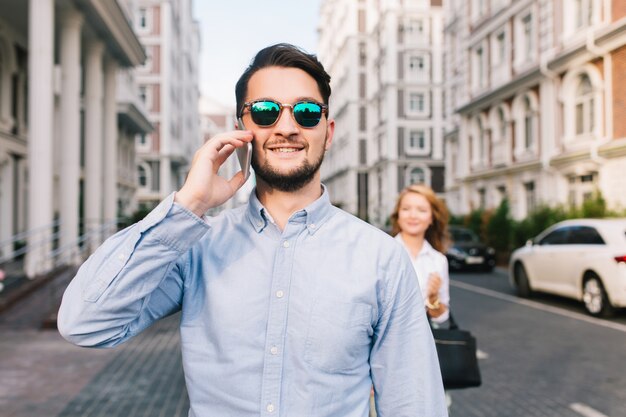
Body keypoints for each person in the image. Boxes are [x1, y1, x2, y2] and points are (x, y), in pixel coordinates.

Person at [58, 44, 447, 417]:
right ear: (241, 130)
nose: (288, 127)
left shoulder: (380, 256)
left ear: (327, 133)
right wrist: (188, 206)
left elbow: (413, 400)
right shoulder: (196, 245)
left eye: (307, 112)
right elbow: (85, 323)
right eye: (265, 112)